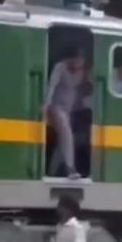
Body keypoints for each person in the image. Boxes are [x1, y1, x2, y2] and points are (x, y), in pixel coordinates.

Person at [45, 47, 88, 179]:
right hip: (56, 107)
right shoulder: (60, 67)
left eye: (81, 60)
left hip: (69, 109)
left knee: (61, 143)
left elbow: (81, 91)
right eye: (77, 60)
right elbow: (51, 86)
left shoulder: (82, 72)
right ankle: (70, 169)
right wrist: (46, 105)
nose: (79, 63)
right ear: (70, 58)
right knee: (67, 135)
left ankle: (51, 172)